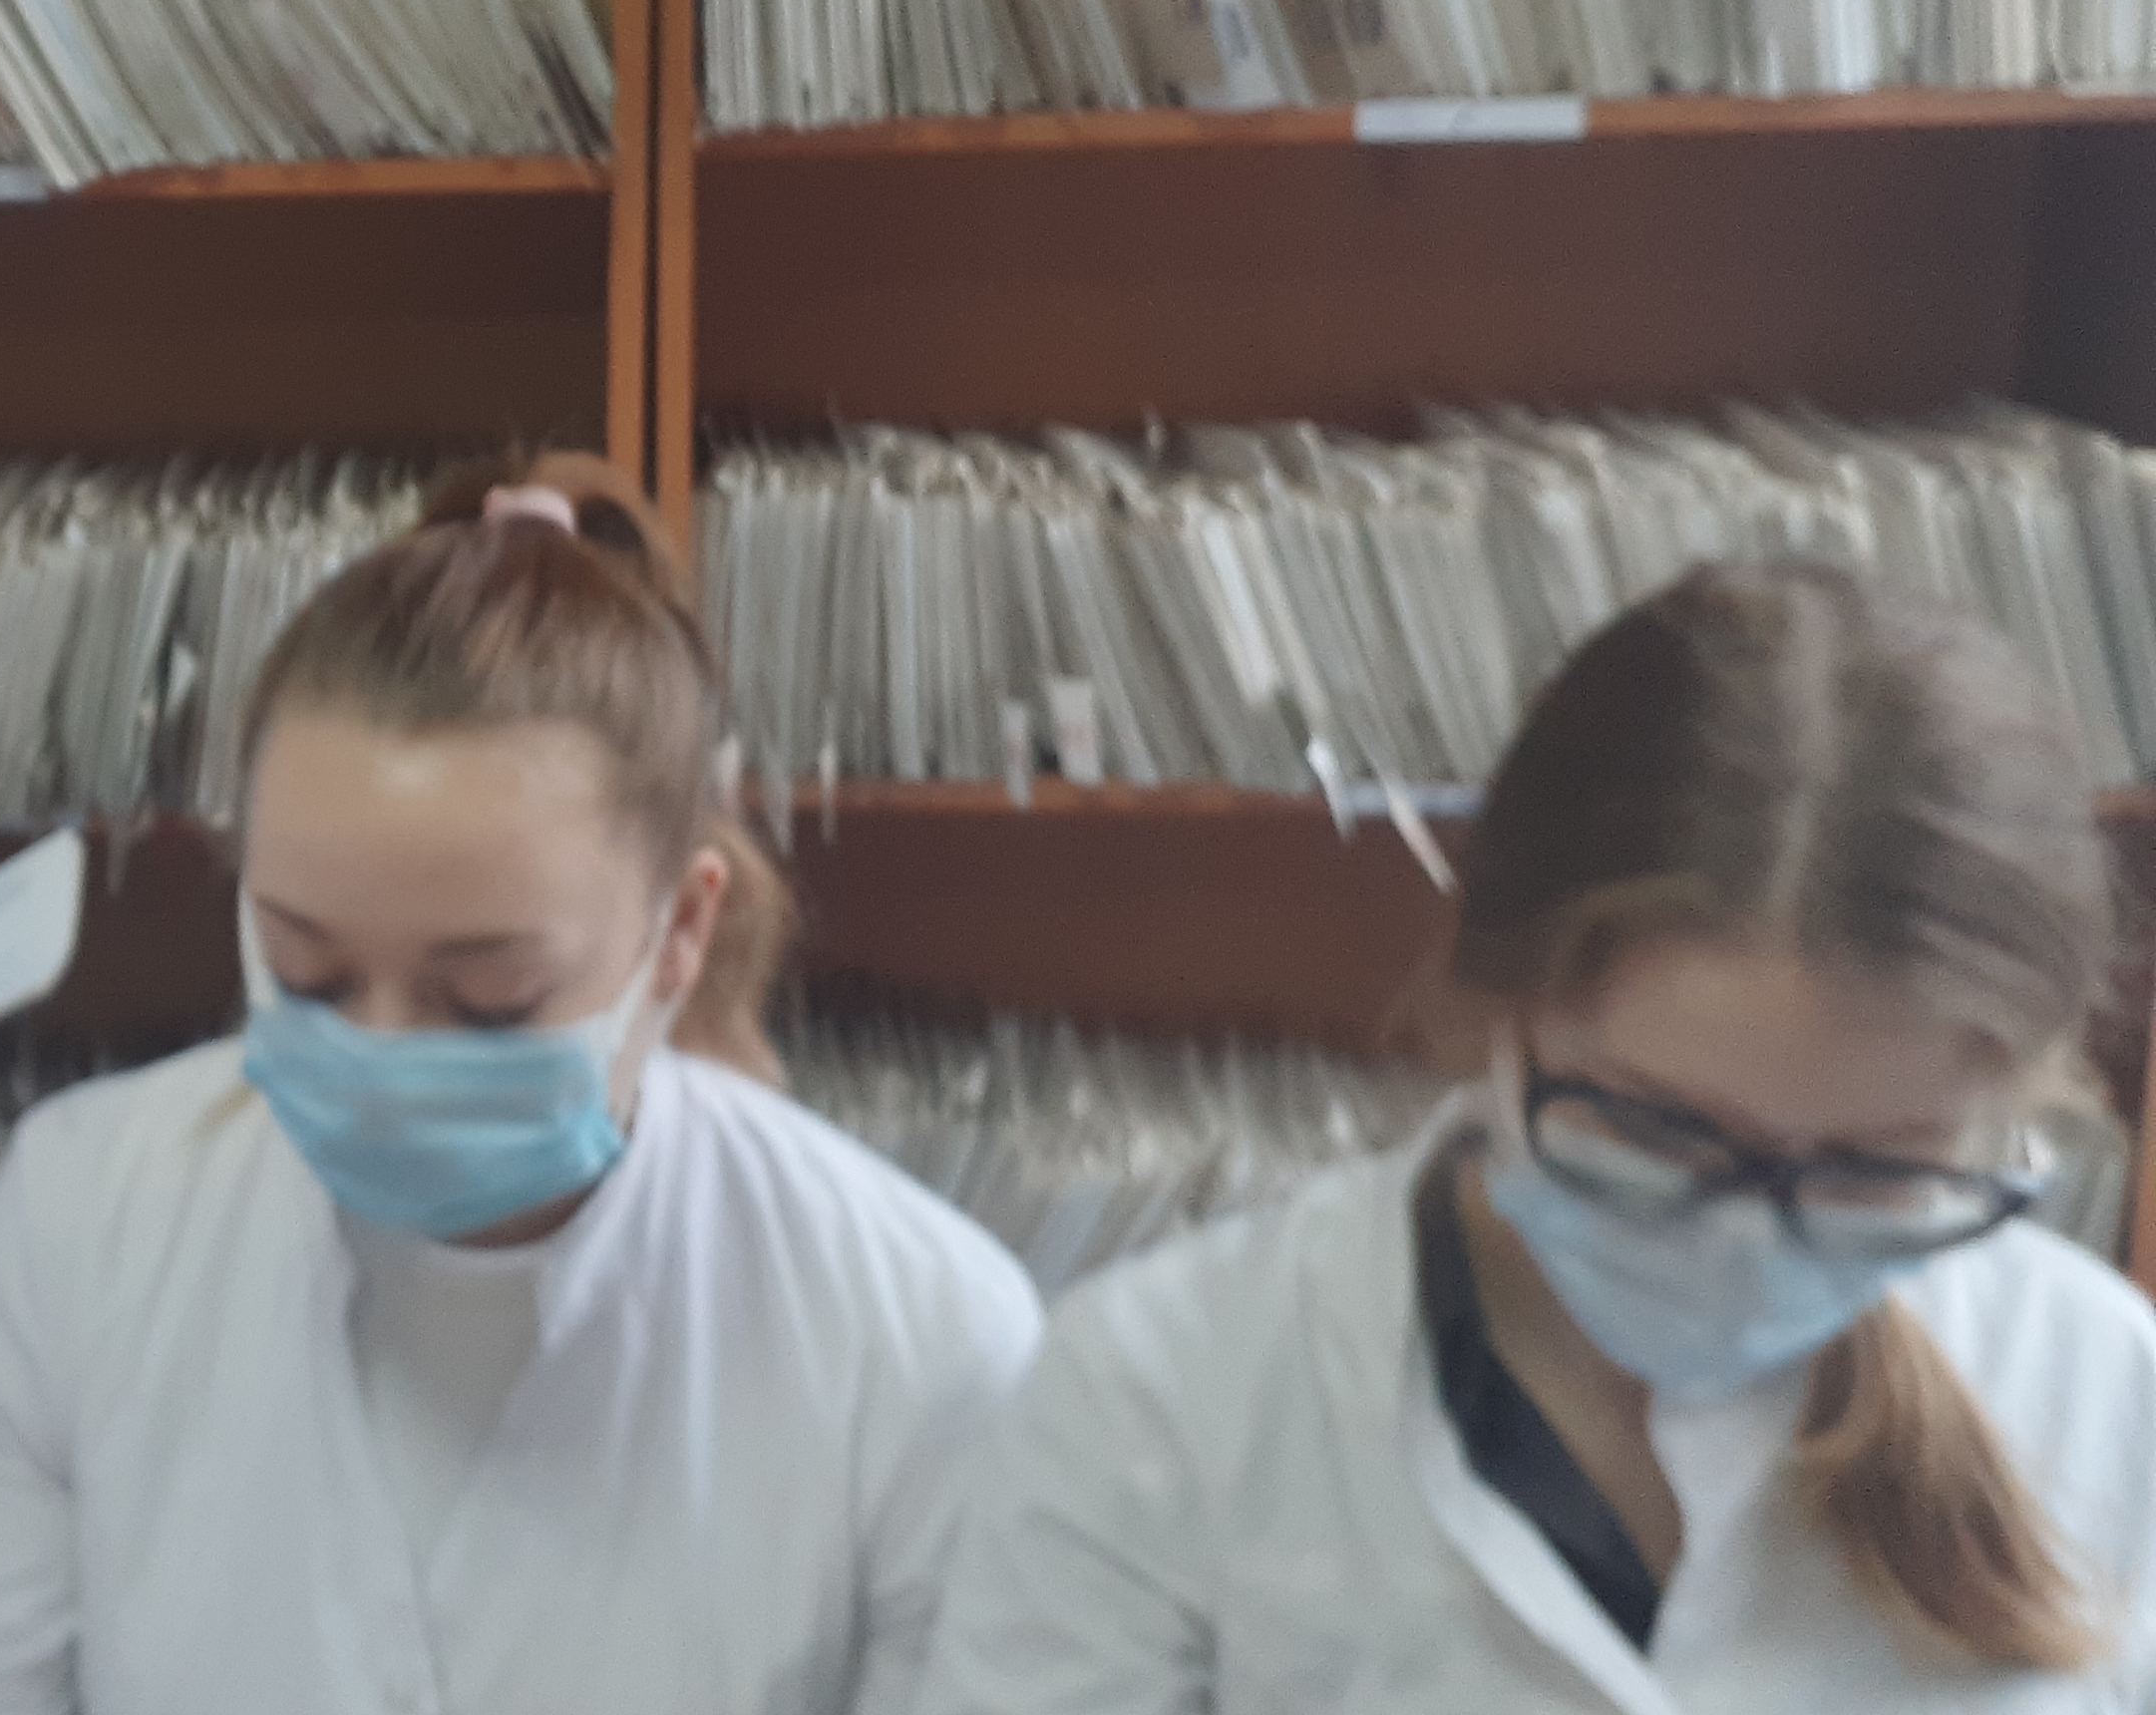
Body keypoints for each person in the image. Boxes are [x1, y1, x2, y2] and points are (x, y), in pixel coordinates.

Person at [0, 457, 1045, 1715]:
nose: (382, 1054)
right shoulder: (83, 1217)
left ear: (681, 929)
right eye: (308, 972)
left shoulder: (921, 1337)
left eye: (489, 998)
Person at [919, 559, 2156, 1714]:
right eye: (1661, 1132)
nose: (1748, 1242)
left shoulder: (2105, 1392)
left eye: (1874, 1169)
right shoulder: (1163, 1391)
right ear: (1500, 1016)